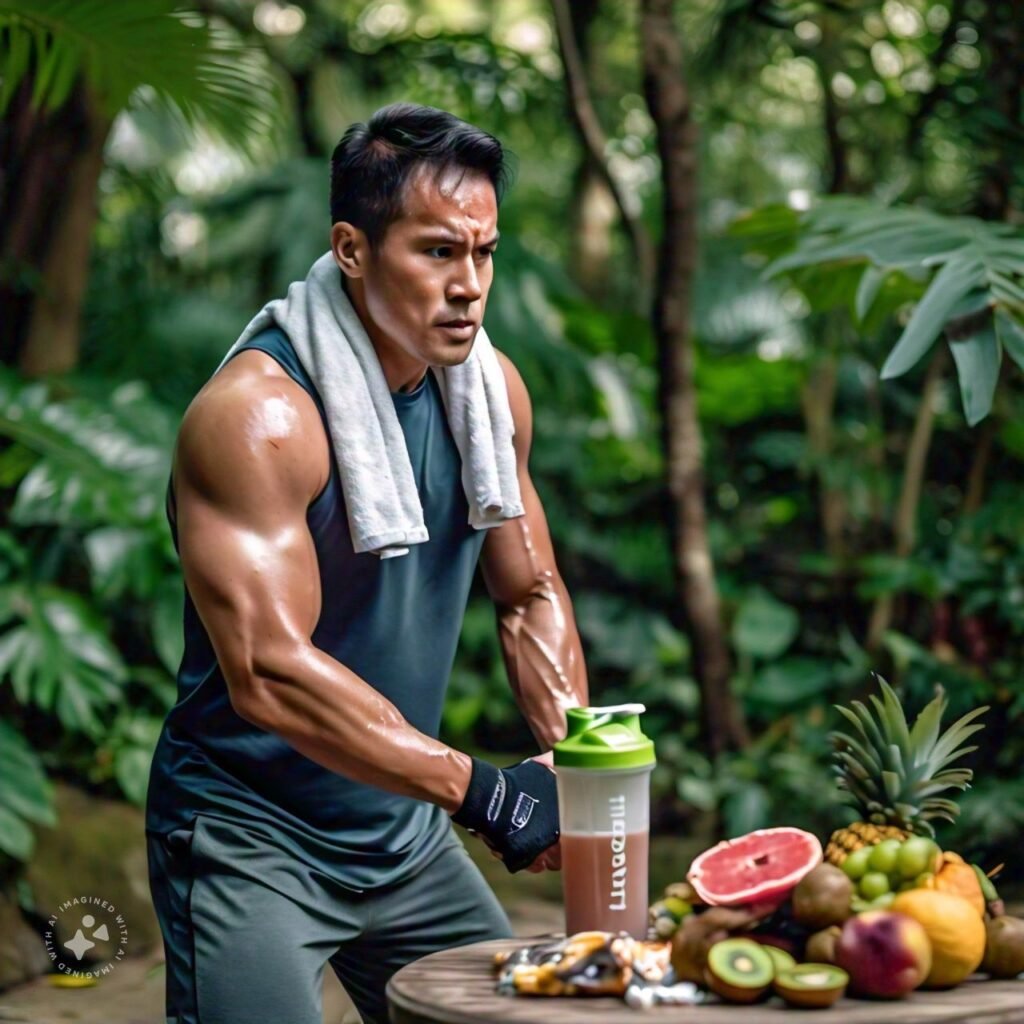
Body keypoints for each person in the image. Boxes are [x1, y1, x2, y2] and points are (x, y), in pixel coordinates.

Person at [144, 102, 589, 1024]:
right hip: (251, 833)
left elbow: (530, 589)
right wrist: (487, 796)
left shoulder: (490, 396)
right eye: (436, 252)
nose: (469, 285)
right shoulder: (260, 419)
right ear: (352, 248)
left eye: (485, 253)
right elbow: (269, 672)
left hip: (405, 835)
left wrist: (575, 761)